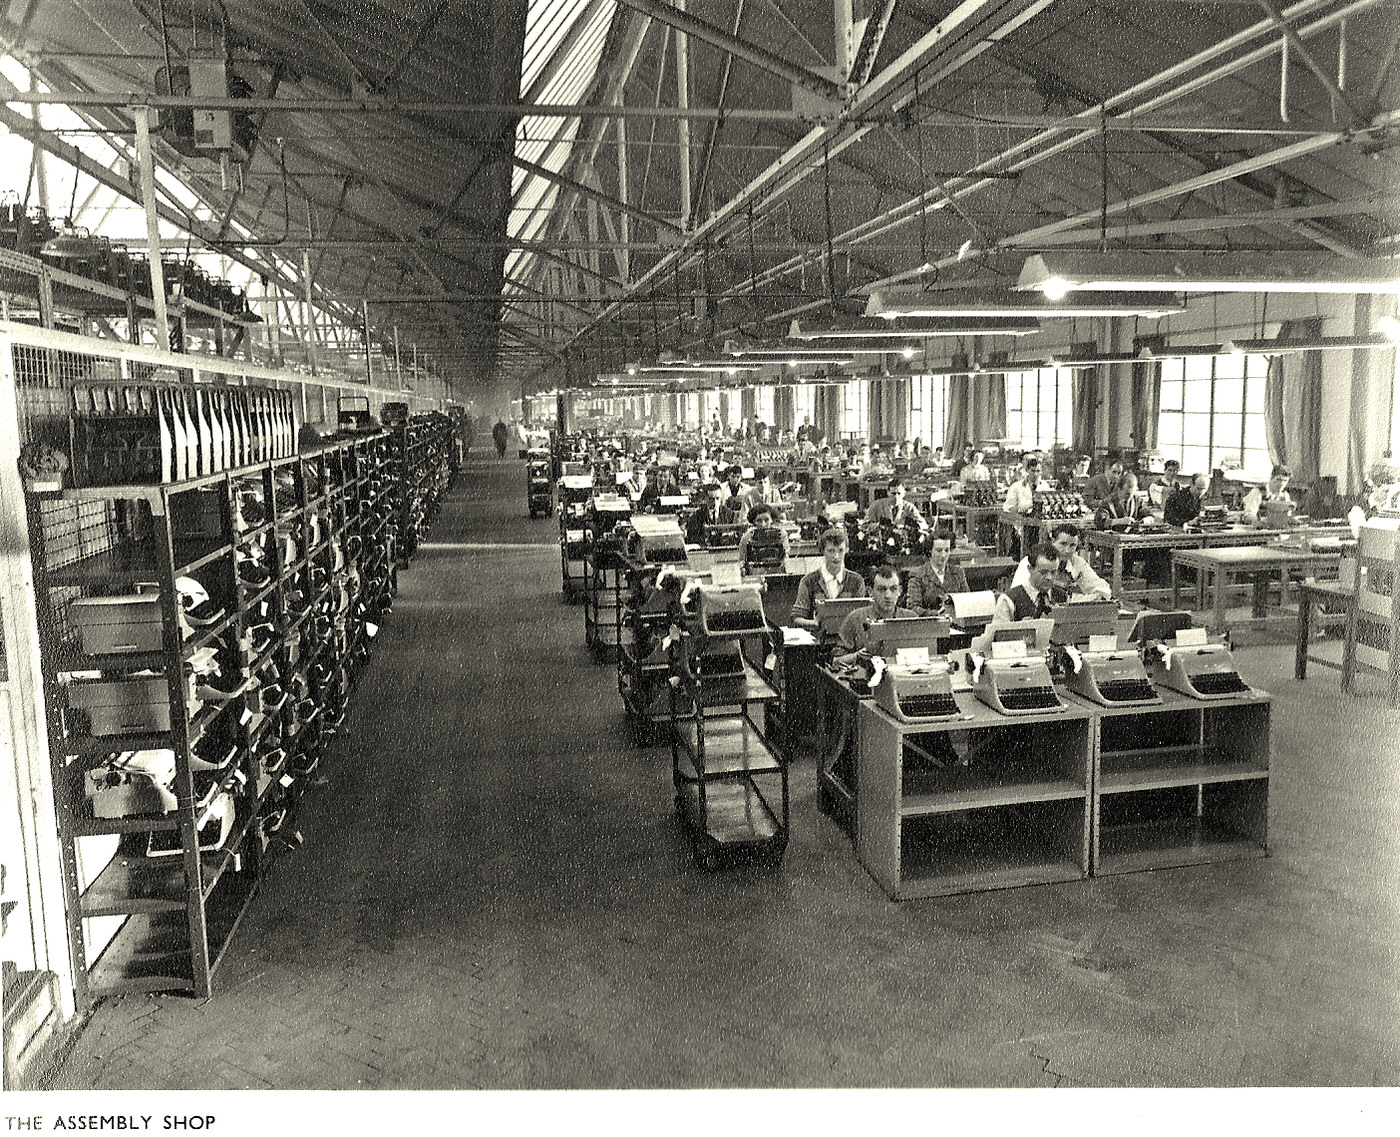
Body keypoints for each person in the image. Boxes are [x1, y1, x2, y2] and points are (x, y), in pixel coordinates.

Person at [834, 563, 917, 666]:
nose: (888, 595)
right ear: (870, 591)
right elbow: (835, 661)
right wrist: (857, 656)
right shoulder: (855, 618)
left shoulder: (910, 619)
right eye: (881, 589)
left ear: (900, 591)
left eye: (893, 589)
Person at [1010, 523, 1111, 601]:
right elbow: (1019, 595)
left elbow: (1100, 586)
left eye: (1072, 545)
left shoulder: (1077, 562)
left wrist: (1099, 596)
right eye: (1063, 544)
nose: (1067, 550)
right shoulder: (1033, 560)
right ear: (1052, 541)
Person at [791, 528, 866, 631]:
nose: (836, 556)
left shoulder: (857, 581)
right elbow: (797, 617)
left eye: (840, 550)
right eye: (831, 551)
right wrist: (813, 623)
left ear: (847, 550)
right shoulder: (808, 581)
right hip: (818, 642)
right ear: (822, 551)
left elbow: (861, 617)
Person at [906, 529, 969, 616]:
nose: (943, 555)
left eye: (947, 550)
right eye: (939, 550)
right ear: (930, 550)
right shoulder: (917, 576)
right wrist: (936, 614)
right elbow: (913, 608)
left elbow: (967, 600)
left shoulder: (958, 572)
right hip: (930, 625)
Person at [994, 542, 1063, 622]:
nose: (1049, 577)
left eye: (1053, 572)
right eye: (1043, 572)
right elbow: (999, 633)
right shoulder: (1009, 600)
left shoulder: (1062, 597)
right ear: (1030, 569)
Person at [862, 477, 930, 534]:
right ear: (888, 493)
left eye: (899, 493)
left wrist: (913, 526)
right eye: (893, 493)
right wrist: (878, 525)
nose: (896, 497)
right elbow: (864, 525)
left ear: (904, 493)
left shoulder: (909, 507)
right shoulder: (876, 506)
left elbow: (924, 525)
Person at [738, 503, 789, 569]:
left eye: (766, 520)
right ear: (754, 522)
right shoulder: (747, 537)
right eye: (759, 521)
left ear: (772, 520)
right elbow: (742, 559)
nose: (763, 524)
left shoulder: (781, 534)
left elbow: (786, 556)